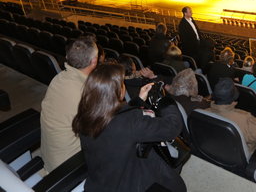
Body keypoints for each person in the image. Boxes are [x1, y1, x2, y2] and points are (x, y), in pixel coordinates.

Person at [72, 63, 186, 192]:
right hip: (128, 184)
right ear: (119, 91)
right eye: (122, 83)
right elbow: (172, 127)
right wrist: (165, 101)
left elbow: (115, 116)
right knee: (176, 182)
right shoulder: (129, 123)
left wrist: (138, 101)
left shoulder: (86, 115)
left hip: (103, 180)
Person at [40, 37, 98, 172]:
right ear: (94, 61)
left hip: (50, 158)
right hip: (68, 164)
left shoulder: (58, 78)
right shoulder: (86, 92)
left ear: (68, 57)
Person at [206, 78, 256, 153]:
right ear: (233, 98)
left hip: (217, 150)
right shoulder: (244, 118)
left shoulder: (203, 112)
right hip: (239, 157)